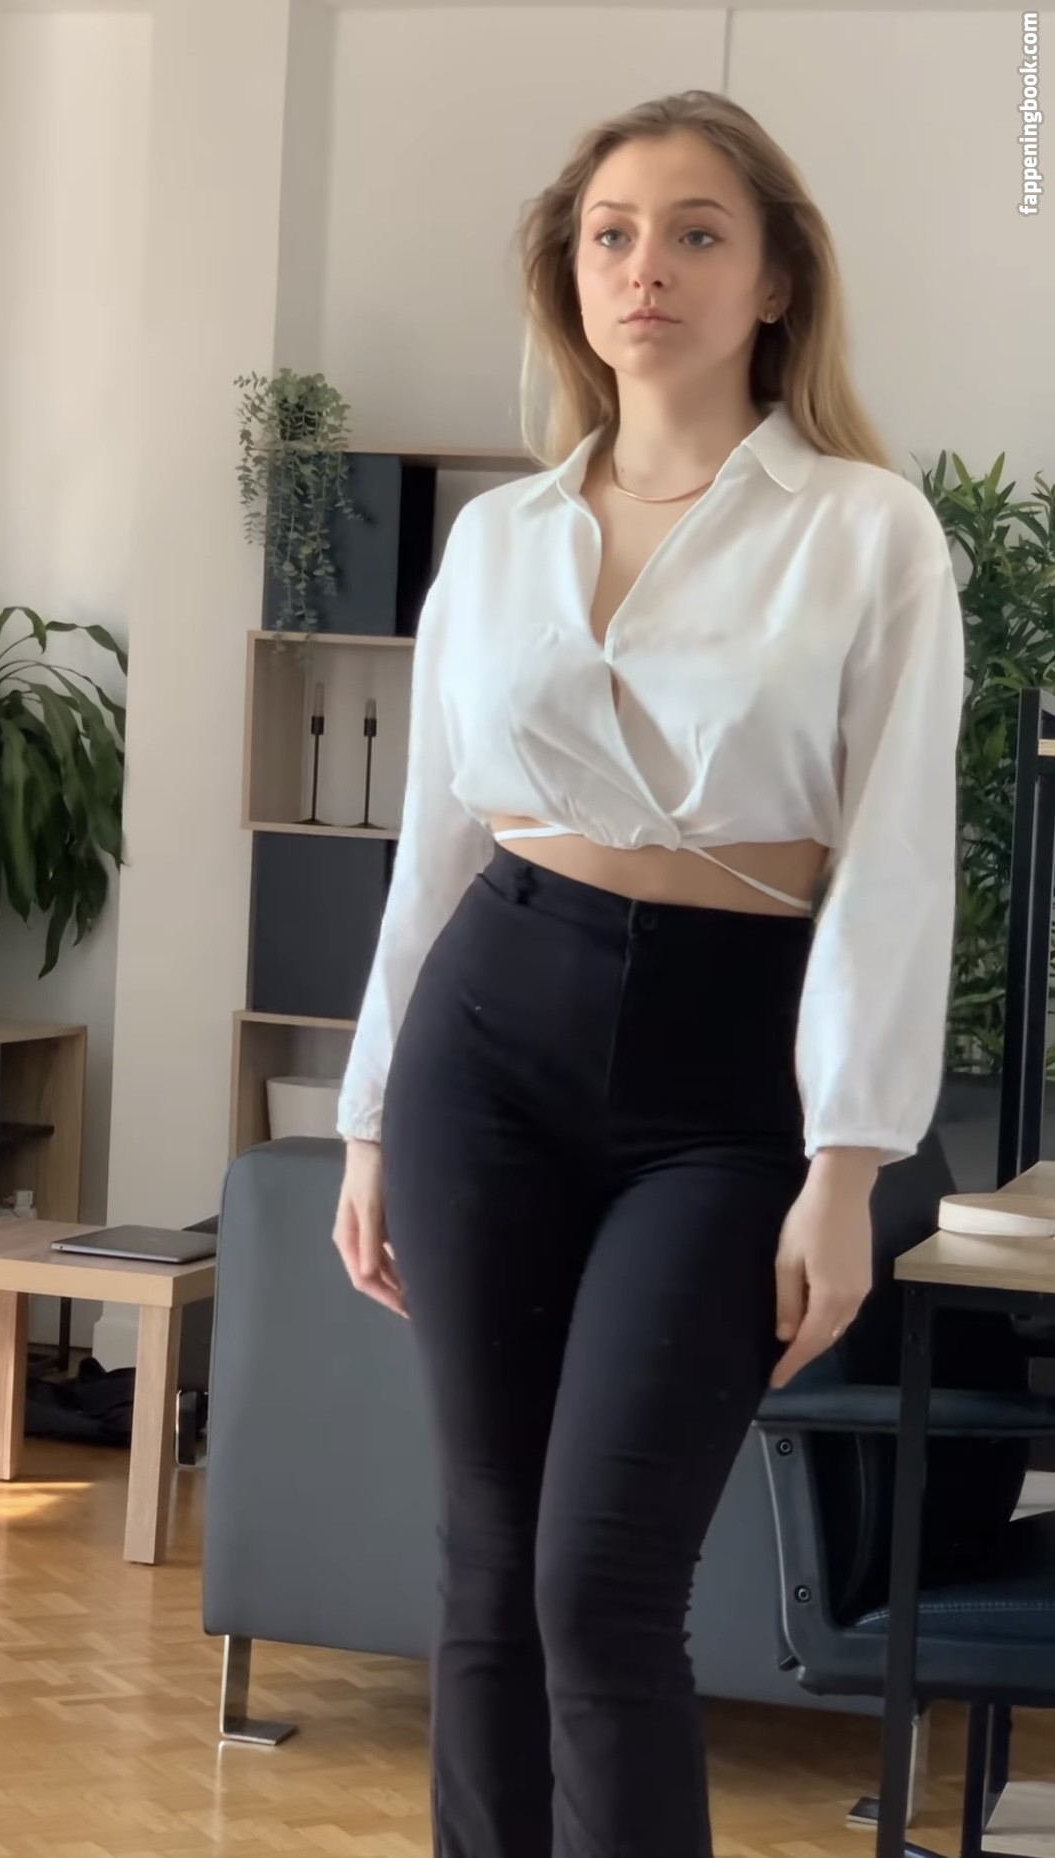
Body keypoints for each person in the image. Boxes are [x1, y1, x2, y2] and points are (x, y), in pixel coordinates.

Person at [331, 87, 964, 1858]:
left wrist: (845, 1168)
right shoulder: (498, 538)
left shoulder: (867, 530)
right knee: (481, 1571)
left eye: (696, 232)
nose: (647, 267)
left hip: (726, 1075)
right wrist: (370, 1120)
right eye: (612, 233)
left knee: (600, 1583)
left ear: (776, 280)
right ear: (572, 274)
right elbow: (432, 849)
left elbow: (898, 866)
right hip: (486, 1034)